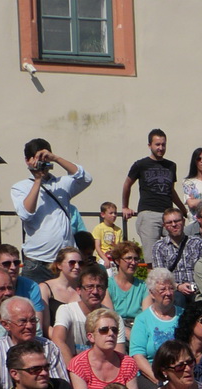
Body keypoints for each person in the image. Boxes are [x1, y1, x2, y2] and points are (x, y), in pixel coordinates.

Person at [12, 138, 92, 282]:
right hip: (38, 262)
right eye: (37, 159)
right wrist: (38, 180)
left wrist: (56, 158)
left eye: (44, 158)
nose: (42, 163)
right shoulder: (20, 187)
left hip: (65, 260)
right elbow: (25, 214)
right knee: (36, 297)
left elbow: (85, 178)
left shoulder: (61, 184)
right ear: (27, 161)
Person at [68, 307, 138, 389]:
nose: (111, 334)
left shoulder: (128, 363)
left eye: (114, 330)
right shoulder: (78, 365)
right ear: (91, 337)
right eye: (104, 330)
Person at [123, 128, 179, 260]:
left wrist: (182, 210)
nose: (161, 148)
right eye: (157, 144)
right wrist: (125, 206)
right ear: (150, 145)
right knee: (152, 258)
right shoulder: (141, 164)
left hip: (168, 213)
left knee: (177, 251)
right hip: (148, 213)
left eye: (163, 144)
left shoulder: (171, 166)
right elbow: (127, 184)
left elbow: (171, 190)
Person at [51, 261, 111, 363]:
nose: (95, 292)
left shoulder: (111, 317)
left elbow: (118, 351)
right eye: (89, 287)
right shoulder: (67, 310)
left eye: (100, 287)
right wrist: (73, 369)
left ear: (105, 291)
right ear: (78, 290)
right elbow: (58, 339)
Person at [128, 266, 182, 380]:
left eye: (171, 288)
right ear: (152, 293)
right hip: (152, 374)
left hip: (181, 372)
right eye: (162, 290)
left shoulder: (183, 315)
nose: (168, 293)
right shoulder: (142, 319)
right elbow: (138, 356)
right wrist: (159, 379)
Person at [105, 241, 148, 331]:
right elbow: (109, 316)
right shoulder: (107, 285)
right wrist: (125, 332)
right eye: (128, 258)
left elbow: (146, 317)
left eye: (136, 259)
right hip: (115, 329)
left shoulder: (144, 286)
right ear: (117, 261)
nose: (133, 262)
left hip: (138, 328)